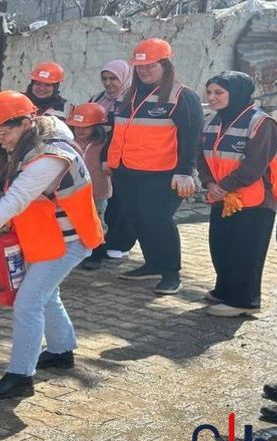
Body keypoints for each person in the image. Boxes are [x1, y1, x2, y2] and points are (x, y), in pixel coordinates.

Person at [0, 91, 103, 400]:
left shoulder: (49, 157)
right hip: (47, 237)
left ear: (25, 123)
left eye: (3, 133)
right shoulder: (34, 142)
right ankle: (61, 351)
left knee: (27, 303)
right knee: (46, 295)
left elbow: (17, 199)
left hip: (69, 241)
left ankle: (20, 377)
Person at [106, 38, 203, 295]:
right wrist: (108, 159)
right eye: (140, 66)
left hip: (162, 174)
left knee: (157, 220)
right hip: (126, 171)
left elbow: (192, 137)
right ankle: (153, 264)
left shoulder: (182, 96)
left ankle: (171, 272)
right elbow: (116, 131)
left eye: (151, 65)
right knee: (137, 218)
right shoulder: (128, 94)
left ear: (165, 65)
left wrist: (185, 171)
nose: (144, 70)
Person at [198, 71, 277, 317]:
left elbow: (254, 166)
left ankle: (243, 300)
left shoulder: (262, 123)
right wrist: (209, 183)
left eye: (219, 92)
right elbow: (201, 156)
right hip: (222, 197)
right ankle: (225, 290)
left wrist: (222, 186)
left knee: (246, 251)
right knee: (221, 246)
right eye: (209, 92)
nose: (211, 97)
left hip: (256, 200)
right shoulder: (211, 121)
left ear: (236, 94)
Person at [91, 59, 136, 262]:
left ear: (125, 78)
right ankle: (100, 239)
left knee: (121, 201)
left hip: (122, 157)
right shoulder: (97, 98)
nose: (108, 83)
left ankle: (119, 242)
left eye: (113, 79)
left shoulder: (132, 100)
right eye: (105, 78)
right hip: (96, 156)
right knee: (102, 200)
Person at [66, 103, 112, 270]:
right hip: (73, 191)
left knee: (97, 222)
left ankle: (96, 253)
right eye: (76, 126)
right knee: (73, 222)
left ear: (97, 127)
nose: (80, 130)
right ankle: (76, 252)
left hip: (98, 191)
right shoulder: (68, 142)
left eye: (86, 127)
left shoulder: (105, 144)